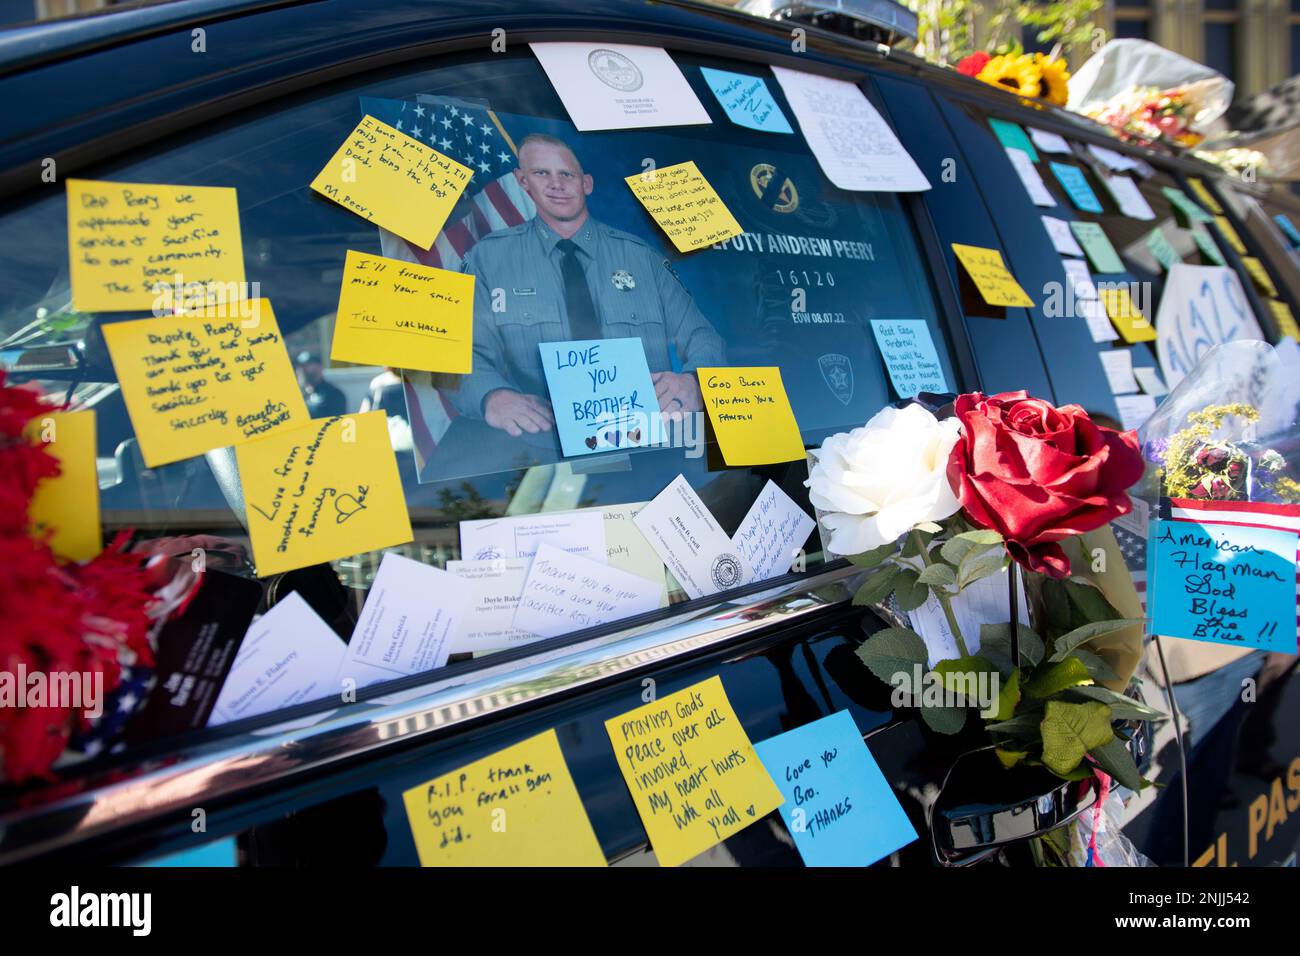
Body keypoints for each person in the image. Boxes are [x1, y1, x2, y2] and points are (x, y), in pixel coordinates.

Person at [449, 132, 726, 437]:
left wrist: (694, 381)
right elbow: (459, 352)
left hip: (653, 441)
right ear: (522, 181)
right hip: (542, 450)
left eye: (566, 174)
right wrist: (491, 396)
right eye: (542, 173)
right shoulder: (489, 259)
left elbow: (701, 335)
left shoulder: (641, 258)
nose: (556, 184)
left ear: (587, 184)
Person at [295, 350, 347, 418]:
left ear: (319, 367)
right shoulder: (299, 394)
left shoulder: (333, 394)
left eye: (307, 365)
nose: (302, 370)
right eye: (300, 366)